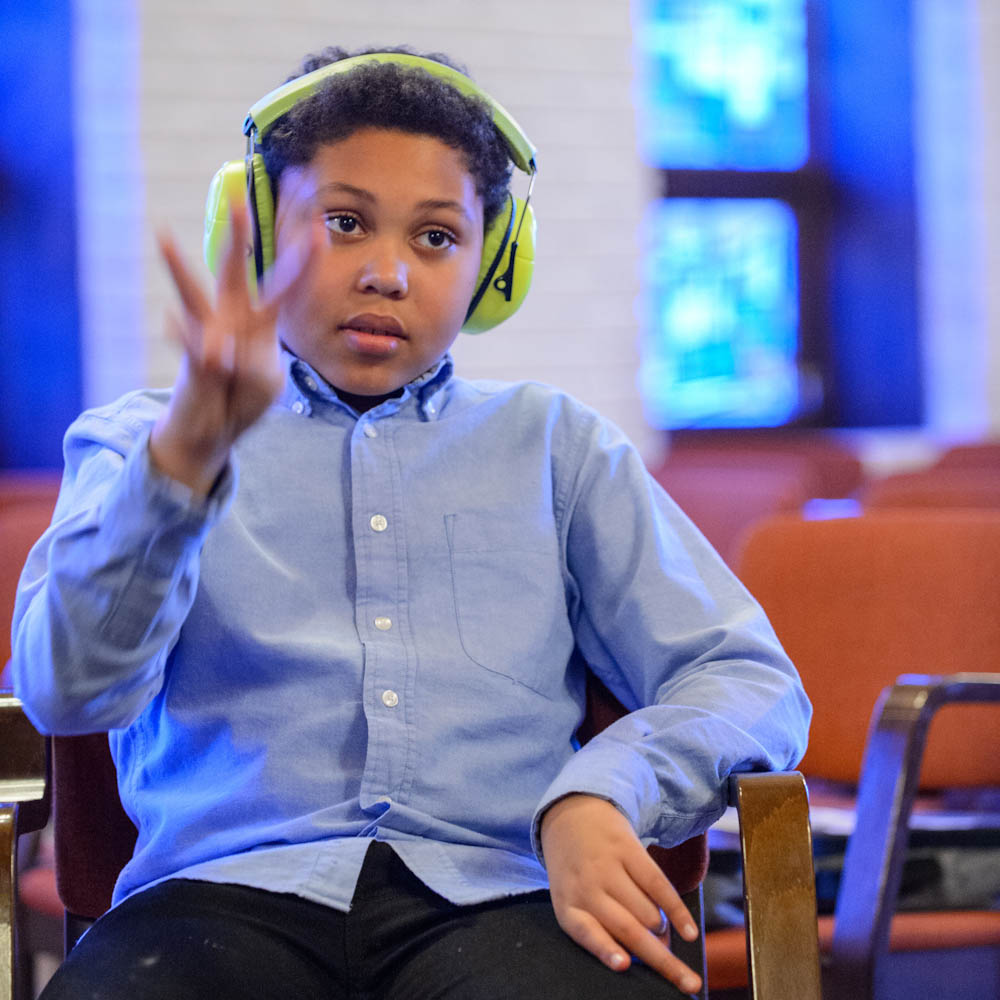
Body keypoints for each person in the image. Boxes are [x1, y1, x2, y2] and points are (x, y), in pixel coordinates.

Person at [11, 46, 811, 1000]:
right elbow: (67, 694)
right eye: (344, 222)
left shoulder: (559, 447)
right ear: (260, 231)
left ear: (493, 267)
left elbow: (748, 679)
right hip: (216, 903)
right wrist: (180, 470)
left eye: (436, 237)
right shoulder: (139, 440)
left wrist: (609, 788)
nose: (388, 272)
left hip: (504, 901)